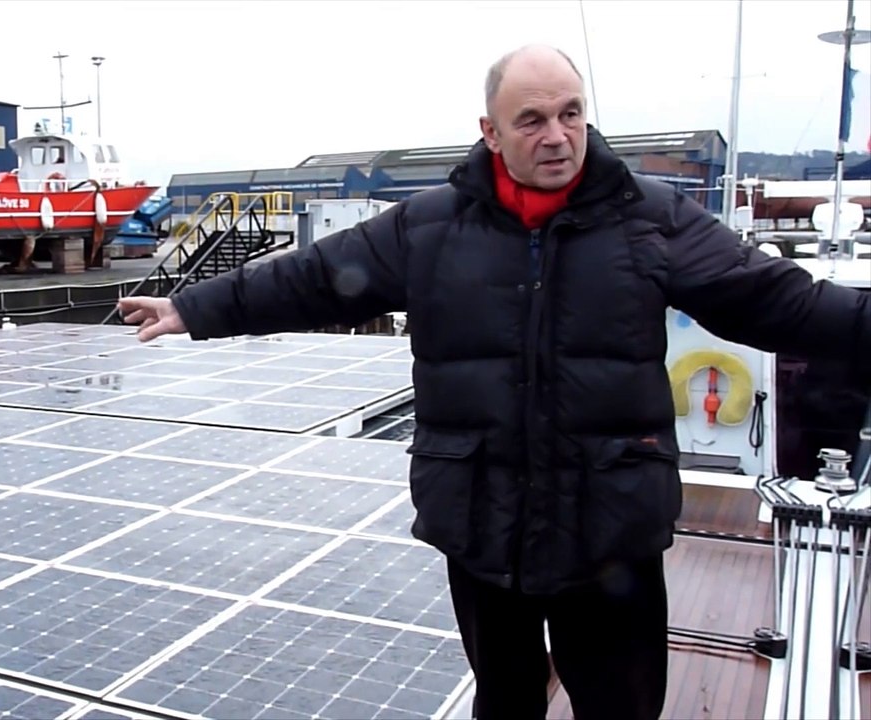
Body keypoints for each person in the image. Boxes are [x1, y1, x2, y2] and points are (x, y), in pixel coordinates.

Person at [116, 44, 871, 720]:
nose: (557, 136)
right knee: (505, 700)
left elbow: (777, 300)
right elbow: (312, 279)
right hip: (485, 522)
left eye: (571, 114)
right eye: (533, 119)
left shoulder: (650, 219)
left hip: (608, 523)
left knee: (621, 705)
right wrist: (191, 305)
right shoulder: (429, 228)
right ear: (491, 133)